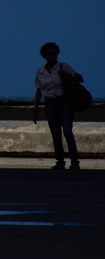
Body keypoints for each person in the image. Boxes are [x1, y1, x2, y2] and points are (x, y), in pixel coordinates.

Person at [33, 42, 84, 170]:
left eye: (54, 54)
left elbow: (80, 78)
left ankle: (74, 161)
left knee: (67, 131)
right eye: (49, 54)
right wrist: (35, 109)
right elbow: (39, 90)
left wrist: (65, 74)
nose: (52, 56)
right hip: (50, 103)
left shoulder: (63, 66)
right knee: (55, 133)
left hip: (64, 102)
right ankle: (60, 161)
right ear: (44, 55)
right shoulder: (40, 72)